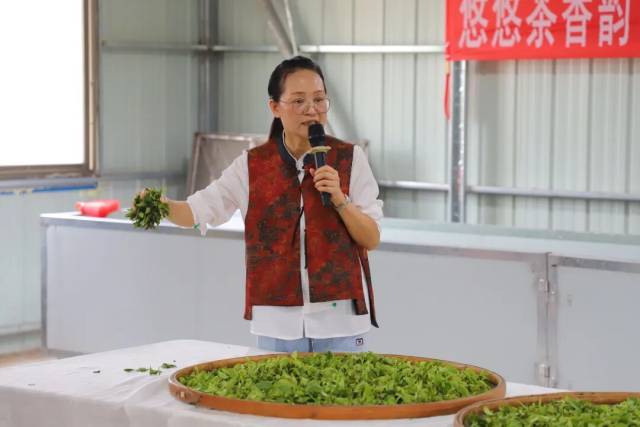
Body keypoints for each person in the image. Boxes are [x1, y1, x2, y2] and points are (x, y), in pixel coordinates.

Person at [148, 56, 383, 353]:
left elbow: (371, 238)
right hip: (277, 324)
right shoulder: (252, 166)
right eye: (298, 101)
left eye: (319, 99)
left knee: (345, 387)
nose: (312, 109)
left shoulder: (350, 159)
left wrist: (340, 199)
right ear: (274, 107)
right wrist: (159, 205)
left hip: (341, 322)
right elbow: (198, 210)